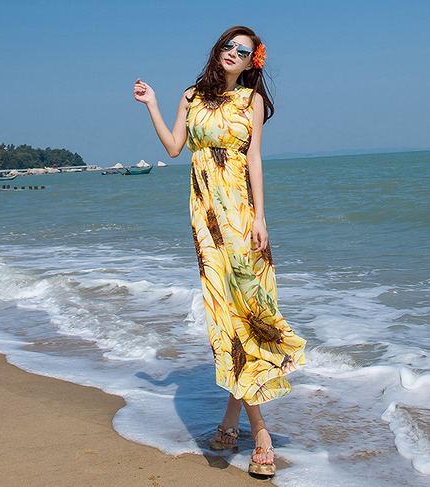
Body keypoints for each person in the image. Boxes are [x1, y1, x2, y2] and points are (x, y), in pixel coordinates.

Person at [133, 25, 306, 477]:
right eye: (229, 45)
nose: (233, 52)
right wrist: (152, 104)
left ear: (252, 62)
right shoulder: (190, 97)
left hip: (242, 220)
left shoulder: (252, 101)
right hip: (205, 222)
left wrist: (261, 219)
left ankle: (247, 427)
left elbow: (254, 159)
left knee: (247, 313)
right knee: (224, 317)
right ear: (218, 50)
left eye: (243, 51)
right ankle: (250, 427)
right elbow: (175, 148)